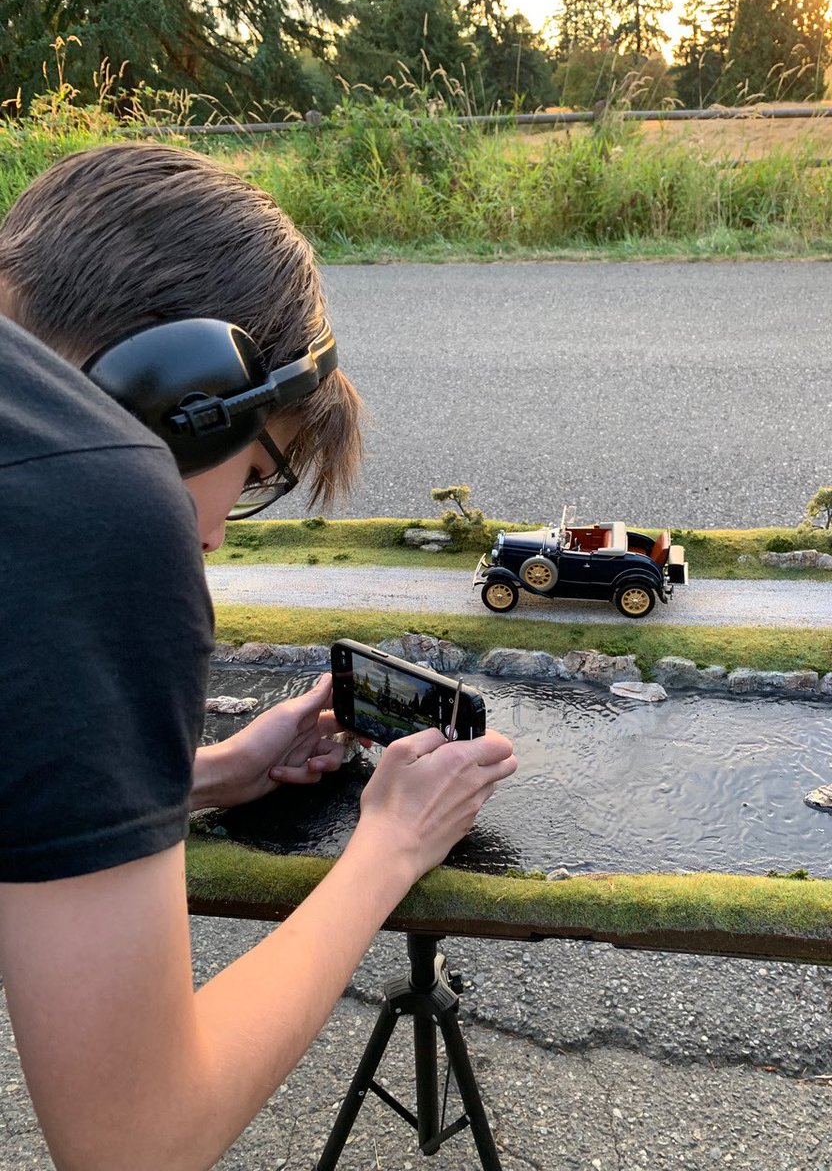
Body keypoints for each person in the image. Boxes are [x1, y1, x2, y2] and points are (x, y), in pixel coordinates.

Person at [0, 143, 517, 1171]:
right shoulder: (94, 499)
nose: (213, 537)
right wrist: (389, 849)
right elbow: (133, 1142)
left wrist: (205, 776)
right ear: (182, 394)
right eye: (253, 474)